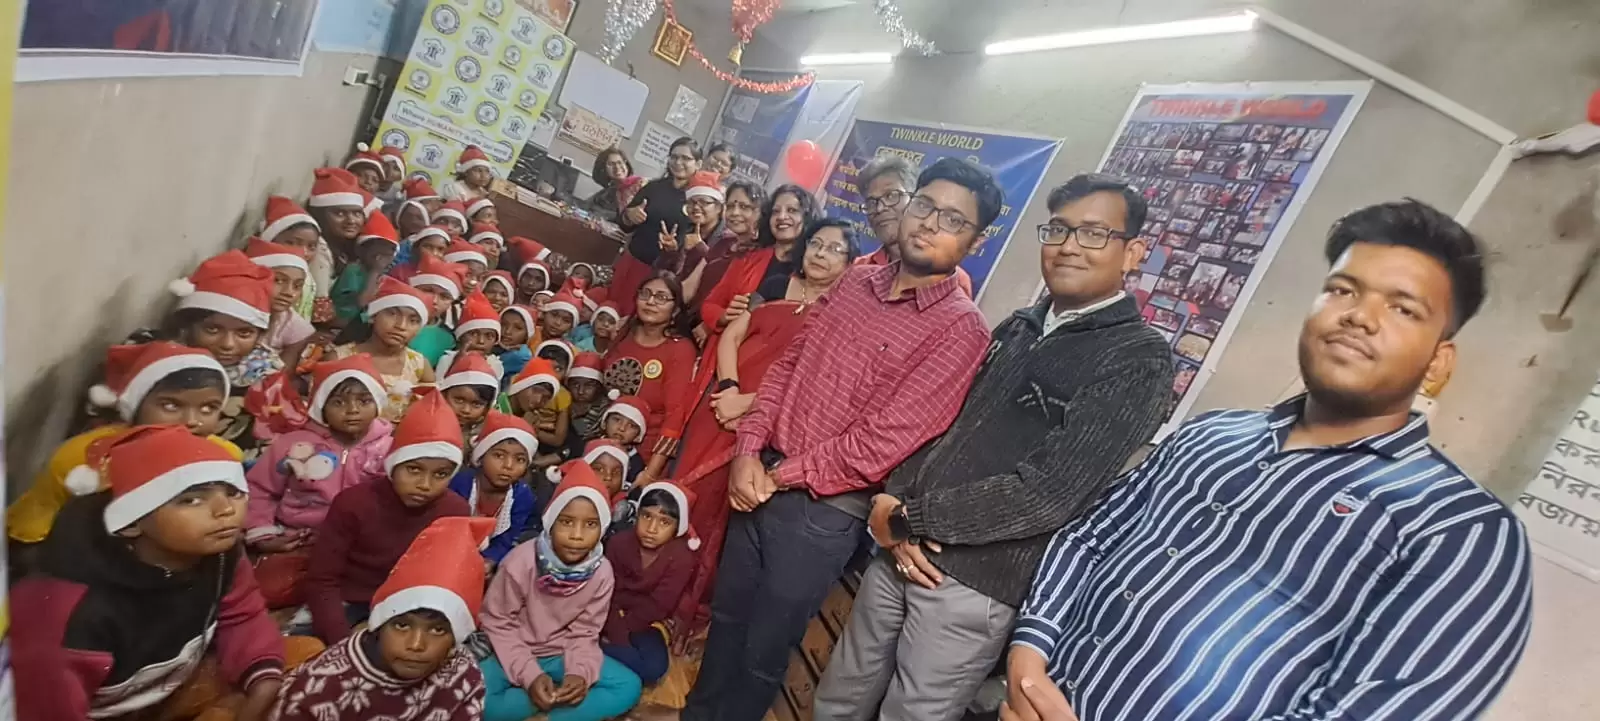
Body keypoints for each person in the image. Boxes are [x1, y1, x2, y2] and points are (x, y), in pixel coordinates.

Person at [1005, 200, 1532, 721]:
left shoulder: (1460, 533)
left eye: (1403, 309)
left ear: (1438, 360)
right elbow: (1090, 536)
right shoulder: (1211, 434)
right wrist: (1029, 655)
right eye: (1343, 289)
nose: (1359, 316)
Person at [814, 175, 1174, 721]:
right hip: (899, 548)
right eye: (1059, 229)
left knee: (910, 715)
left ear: (1133, 253)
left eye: (1095, 233)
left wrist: (913, 519)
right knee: (840, 694)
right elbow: (940, 420)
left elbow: (1049, 494)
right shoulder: (1020, 326)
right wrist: (894, 503)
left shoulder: (1136, 359)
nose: (1069, 246)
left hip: (974, 582)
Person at [663, 157, 1000, 721]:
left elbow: (882, 443)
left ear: (976, 241)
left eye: (953, 219)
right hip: (760, 471)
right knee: (727, 619)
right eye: (924, 205)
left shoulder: (961, 330)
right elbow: (788, 366)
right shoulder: (857, 281)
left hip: (821, 512)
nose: (929, 223)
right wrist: (748, 449)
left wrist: (776, 476)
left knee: (763, 651)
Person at [666, 217, 860, 643]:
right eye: (817, 243)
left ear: (850, 266)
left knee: (721, 514)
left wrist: (749, 404)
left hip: (762, 423)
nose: (821, 254)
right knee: (685, 493)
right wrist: (729, 388)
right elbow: (732, 336)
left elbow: (811, 381)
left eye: (835, 249)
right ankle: (656, 590)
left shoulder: (843, 318)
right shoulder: (774, 285)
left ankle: (693, 609)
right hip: (719, 405)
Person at [12, 425, 287, 721]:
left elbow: (242, 613)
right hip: (96, 712)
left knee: (296, 662)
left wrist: (262, 678)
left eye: (233, 492)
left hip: (168, 687)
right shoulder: (71, 614)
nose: (225, 510)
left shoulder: (220, 552)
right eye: (191, 499)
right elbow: (47, 709)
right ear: (131, 522)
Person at [6, 343, 241, 554]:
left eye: (208, 408)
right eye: (170, 405)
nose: (191, 421)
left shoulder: (224, 459)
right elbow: (33, 533)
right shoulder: (82, 459)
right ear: (135, 406)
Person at [272, 517, 493, 721]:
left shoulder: (463, 674)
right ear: (378, 625)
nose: (416, 644)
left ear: (456, 639)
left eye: (438, 630)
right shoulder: (321, 686)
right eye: (402, 625)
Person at [479, 460, 645, 721]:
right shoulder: (520, 562)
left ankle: (547, 714)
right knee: (481, 700)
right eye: (567, 522)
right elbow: (498, 622)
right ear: (551, 522)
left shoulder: (602, 572)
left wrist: (578, 672)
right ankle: (553, 700)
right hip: (512, 650)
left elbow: (585, 632)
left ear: (602, 528)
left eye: (590, 524)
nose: (577, 535)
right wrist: (530, 675)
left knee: (628, 686)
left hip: (562, 654)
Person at [303, 392, 472, 643]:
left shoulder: (455, 511)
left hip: (416, 609)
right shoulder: (353, 503)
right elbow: (322, 580)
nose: (425, 484)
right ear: (394, 465)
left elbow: (448, 583)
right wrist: (341, 640)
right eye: (413, 469)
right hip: (350, 602)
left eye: (440, 474)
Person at [246, 354, 394, 608]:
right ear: (320, 406)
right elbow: (259, 488)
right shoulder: (293, 445)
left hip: (361, 545)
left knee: (379, 589)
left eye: (364, 400)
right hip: (301, 540)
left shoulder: (390, 448)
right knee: (268, 592)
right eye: (338, 402)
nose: (352, 410)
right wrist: (263, 532)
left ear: (378, 403)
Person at [164, 249, 282, 454]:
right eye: (212, 330)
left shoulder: (265, 375)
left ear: (260, 335)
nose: (228, 344)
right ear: (187, 327)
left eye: (244, 333)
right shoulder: (162, 363)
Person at [603, 272, 696, 485]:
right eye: (645, 294)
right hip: (603, 442)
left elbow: (675, 416)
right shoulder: (623, 335)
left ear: (676, 309)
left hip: (643, 457)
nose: (651, 302)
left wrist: (650, 473)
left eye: (661, 297)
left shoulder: (680, 350)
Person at [696, 183, 814, 353]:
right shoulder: (747, 257)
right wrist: (724, 315)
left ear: (807, 217)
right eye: (775, 211)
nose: (782, 217)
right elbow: (710, 304)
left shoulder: (812, 272)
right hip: (725, 351)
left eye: (792, 210)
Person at [602, 482, 699, 686]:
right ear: (637, 515)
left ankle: (595, 652)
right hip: (606, 614)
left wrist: (622, 636)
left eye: (664, 522)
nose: (652, 529)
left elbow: (657, 606)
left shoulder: (682, 557)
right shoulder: (618, 543)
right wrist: (616, 633)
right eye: (646, 516)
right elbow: (606, 593)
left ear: (677, 527)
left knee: (654, 668)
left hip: (645, 623)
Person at [854, 154, 975, 297]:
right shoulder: (858, 268)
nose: (880, 208)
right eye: (871, 202)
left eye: (891, 195)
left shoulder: (952, 282)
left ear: (916, 200)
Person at [613, 137, 701, 316]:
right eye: (674, 157)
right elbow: (624, 224)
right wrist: (629, 216)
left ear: (698, 164)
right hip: (632, 263)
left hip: (663, 277)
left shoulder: (698, 199)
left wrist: (676, 248)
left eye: (685, 158)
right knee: (613, 311)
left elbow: (697, 240)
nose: (678, 162)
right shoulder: (653, 188)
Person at [449, 411, 539, 568]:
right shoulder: (459, 484)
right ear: (481, 456)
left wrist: (490, 560)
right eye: (499, 455)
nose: (508, 466)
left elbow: (508, 539)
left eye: (519, 459)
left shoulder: (522, 496)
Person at [682, 180, 765, 337]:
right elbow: (690, 287)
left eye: (744, 207)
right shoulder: (724, 242)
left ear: (760, 212)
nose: (735, 212)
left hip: (719, 332)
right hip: (690, 322)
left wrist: (710, 325)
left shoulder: (760, 255)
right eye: (731, 206)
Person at [244, 236, 315, 369]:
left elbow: (281, 376)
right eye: (278, 280)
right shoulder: (228, 314)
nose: (289, 292)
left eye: (297, 286)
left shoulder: (297, 330)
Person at [259, 195, 324, 323]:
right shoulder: (257, 275)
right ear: (270, 240)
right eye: (292, 243)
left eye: (311, 247)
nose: (303, 253)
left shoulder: (308, 280)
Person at [330, 211, 401, 328]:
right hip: (344, 320)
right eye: (376, 256)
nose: (380, 261)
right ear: (361, 251)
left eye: (386, 256)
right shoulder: (353, 270)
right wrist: (375, 271)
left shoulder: (386, 275)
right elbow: (363, 302)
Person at [656, 171, 723, 290]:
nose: (696, 207)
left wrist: (700, 248)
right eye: (691, 202)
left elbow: (719, 275)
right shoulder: (686, 229)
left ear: (718, 208)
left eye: (704, 202)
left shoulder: (727, 240)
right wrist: (670, 252)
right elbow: (664, 271)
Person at [502, 357, 570, 469]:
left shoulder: (529, 415)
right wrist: (522, 428)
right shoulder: (496, 409)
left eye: (545, 398)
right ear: (522, 385)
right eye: (535, 391)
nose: (538, 400)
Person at [408, 254, 472, 366]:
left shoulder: (447, 339)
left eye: (444, 297)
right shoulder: (391, 321)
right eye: (428, 291)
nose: (434, 300)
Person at [438, 351, 504, 452]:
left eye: (476, 404)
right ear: (444, 395)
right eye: (459, 400)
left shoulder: (488, 434)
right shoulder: (428, 426)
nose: (466, 410)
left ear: (487, 407)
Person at [589, 146, 643, 223]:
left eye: (620, 162)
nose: (617, 167)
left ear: (626, 164)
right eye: (611, 164)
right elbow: (588, 207)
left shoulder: (640, 184)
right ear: (603, 169)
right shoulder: (607, 193)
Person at [566, 351, 610, 444]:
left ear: (599, 387)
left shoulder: (604, 408)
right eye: (575, 385)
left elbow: (587, 436)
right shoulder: (564, 402)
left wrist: (576, 418)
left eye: (588, 385)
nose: (581, 391)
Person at [453, 291, 503, 356]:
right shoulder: (447, 360)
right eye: (474, 334)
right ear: (460, 336)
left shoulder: (495, 362)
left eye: (489, 336)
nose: (481, 341)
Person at [497, 303, 538, 380]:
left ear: (527, 334)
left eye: (517, 328)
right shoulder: (493, 347)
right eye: (503, 324)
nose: (508, 331)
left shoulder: (521, 357)